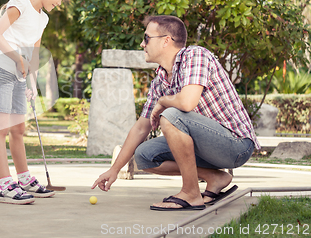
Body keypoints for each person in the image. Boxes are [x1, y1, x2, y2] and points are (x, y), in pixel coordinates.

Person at [91, 15, 260, 211]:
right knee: (144, 155)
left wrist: (163, 101)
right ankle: (215, 177)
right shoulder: (160, 81)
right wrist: (114, 170)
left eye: (146, 38)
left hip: (235, 145)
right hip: (206, 147)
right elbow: (140, 128)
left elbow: (186, 102)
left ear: (165, 41)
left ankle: (191, 193)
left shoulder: (196, 56)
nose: (141, 43)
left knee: (171, 115)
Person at [0, 0, 72, 205]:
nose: (60, 2)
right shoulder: (20, 4)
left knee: (18, 130)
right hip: (3, 68)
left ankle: (23, 178)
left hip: (20, 75)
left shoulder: (42, 18)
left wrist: (32, 83)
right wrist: (17, 59)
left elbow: (34, 54)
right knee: (1, 129)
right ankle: (5, 185)